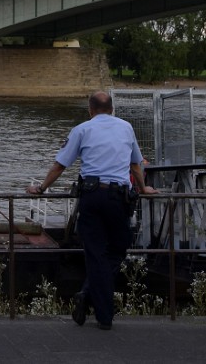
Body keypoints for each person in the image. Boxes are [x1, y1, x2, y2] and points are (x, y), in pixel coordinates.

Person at [26, 91, 157, 330]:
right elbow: (135, 164)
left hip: (92, 197)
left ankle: (89, 298)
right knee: (118, 250)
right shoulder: (127, 128)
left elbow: (60, 165)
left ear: (90, 109)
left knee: (96, 254)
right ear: (112, 109)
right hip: (119, 199)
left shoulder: (82, 130)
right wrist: (143, 188)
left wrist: (41, 187)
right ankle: (101, 313)